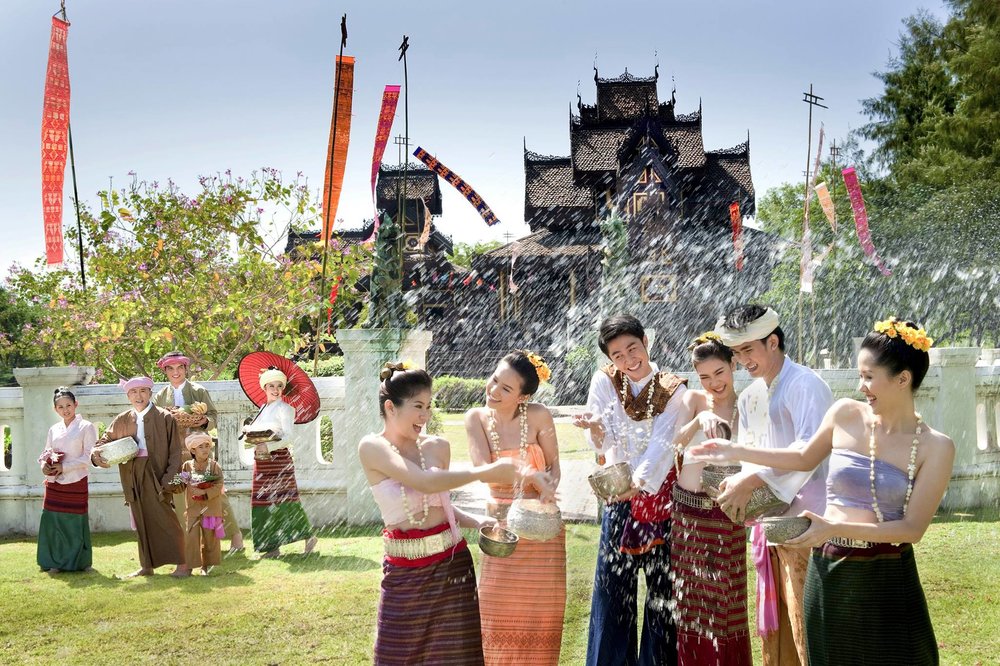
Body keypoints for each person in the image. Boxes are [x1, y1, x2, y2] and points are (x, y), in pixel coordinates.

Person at [691, 317, 952, 665]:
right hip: (829, 569)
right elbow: (801, 457)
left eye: (869, 377)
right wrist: (736, 452)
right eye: (860, 375)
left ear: (903, 379)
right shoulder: (845, 414)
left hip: (888, 576)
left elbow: (912, 529)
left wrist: (832, 528)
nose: (861, 387)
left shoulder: (936, 447)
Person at [359, 362, 554, 666]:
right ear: (390, 407)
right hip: (403, 572)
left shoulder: (437, 447)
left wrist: (476, 521)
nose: (425, 416)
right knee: (395, 656)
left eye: (429, 405)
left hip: (452, 565)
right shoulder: (372, 447)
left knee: (455, 659)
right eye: (418, 406)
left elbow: (439, 501)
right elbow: (423, 481)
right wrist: (485, 471)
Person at [707, 304, 833, 666]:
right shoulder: (750, 397)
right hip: (769, 521)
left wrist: (753, 477)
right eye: (736, 352)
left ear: (773, 342)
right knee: (776, 634)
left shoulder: (806, 385)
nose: (741, 360)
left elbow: (808, 453)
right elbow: (751, 457)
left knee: (808, 622)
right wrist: (737, 481)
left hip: (811, 521)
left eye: (749, 349)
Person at [572, 314, 687, 666]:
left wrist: (637, 486)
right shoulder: (605, 380)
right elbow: (603, 437)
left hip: (660, 499)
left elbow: (664, 445)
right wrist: (594, 430)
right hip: (620, 496)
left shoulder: (674, 388)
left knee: (661, 593)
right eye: (617, 355)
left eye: (632, 348)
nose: (627, 359)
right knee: (611, 591)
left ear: (646, 342)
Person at [465, 350, 566, 665]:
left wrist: (549, 488)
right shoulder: (476, 419)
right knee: (496, 612)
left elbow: (554, 466)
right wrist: (525, 473)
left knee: (541, 618)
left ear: (523, 396)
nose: (493, 390)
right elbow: (482, 469)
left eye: (506, 388)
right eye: (494, 380)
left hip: (542, 529)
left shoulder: (538, 415)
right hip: (502, 531)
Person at [668, 333, 751, 666]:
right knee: (692, 605)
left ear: (733, 364)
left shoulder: (747, 404)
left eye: (719, 372)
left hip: (727, 513)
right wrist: (699, 421)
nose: (713, 383)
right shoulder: (693, 401)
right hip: (688, 516)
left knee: (726, 604)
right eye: (705, 376)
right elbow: (673, 442)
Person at [92, 376, 189, 578]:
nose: (139, 396)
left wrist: (169, 480)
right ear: (128, 396)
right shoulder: (122, 419)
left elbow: (175, 451)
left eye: (143, 391)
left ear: (150, 393)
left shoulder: (164, 417)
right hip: (132, 474)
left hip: (157, 473)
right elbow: (103, 441)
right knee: (140, 518)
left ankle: (183, 564)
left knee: (166, 519)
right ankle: (147, 566)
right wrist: (95, 455)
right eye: (133, 392)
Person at [153, 350, 244, 551]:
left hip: (199, 454)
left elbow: (212, 418)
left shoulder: (198, 391)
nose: (175, 372)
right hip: (175, 457)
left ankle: (235, 536)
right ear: (165, 371)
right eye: (171, 369)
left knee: (214, 494)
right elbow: (156, 423)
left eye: (179, 368)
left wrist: (203, 421)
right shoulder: (160, 396)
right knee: (179, 494)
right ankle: (191, 541)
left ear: (186, 369)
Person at [243, 367, 317, 557]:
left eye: (279, 386)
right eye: (271, 386)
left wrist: (267, 447)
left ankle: (308, 536)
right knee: (263, 501)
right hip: (262, 461)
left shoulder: (286, 409)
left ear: (283, 388)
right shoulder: (262, 409)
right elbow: (261, 434)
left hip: (279, 460)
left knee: (286, 500)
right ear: (264, 388)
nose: (275, 390)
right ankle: (271, 546)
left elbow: (288, 436)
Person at [36, 387, 97, 573]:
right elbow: (46, 452)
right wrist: (44, 466)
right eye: (60, 407)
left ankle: (79, 562)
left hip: (76, 479)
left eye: (69, 405)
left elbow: (90, 456)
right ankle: (54, 561)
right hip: (54, 482)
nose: (65, 409)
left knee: (75, 521)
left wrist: (65, 466)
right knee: (52, 521)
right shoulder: (54, 429)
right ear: (55, 409)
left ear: (76, 404)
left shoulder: (86, 427)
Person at [179, 431, 224, 575]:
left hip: (210, 508)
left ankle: (206, 567)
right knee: (191, 537)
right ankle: (190, 567)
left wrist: (204, 493)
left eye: (207, 446)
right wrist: (173, 483)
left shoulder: (214, 466)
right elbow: (181, 481)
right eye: (201, 447)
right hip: (192, 508)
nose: (205, 449)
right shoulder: (186, 466)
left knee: (210, 538)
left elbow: (219, 485)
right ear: (192, 450)